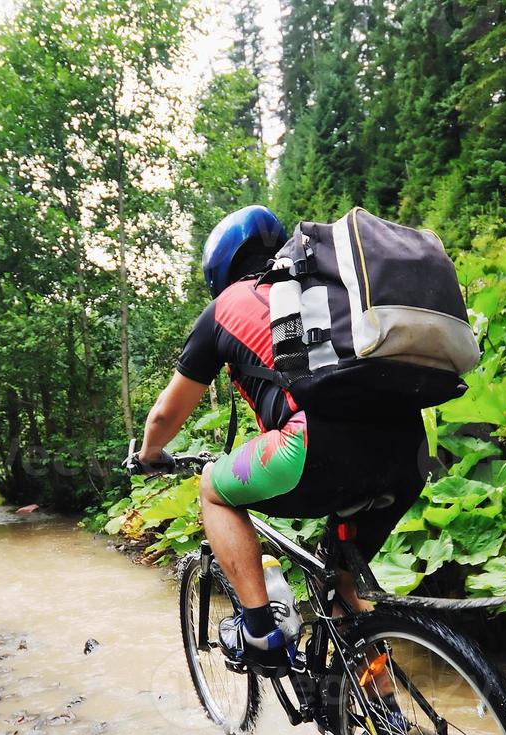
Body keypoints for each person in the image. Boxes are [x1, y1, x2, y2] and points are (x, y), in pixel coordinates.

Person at [127, 205, 428, 676]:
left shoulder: (225, 307)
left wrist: (147, 455)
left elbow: (166, 413)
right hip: (407, 452)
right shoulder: (325, 294)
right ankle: (389, 723)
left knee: (213, 488)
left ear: (221, 270)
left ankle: (260, 632)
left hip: (316, 448)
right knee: (345, 592)